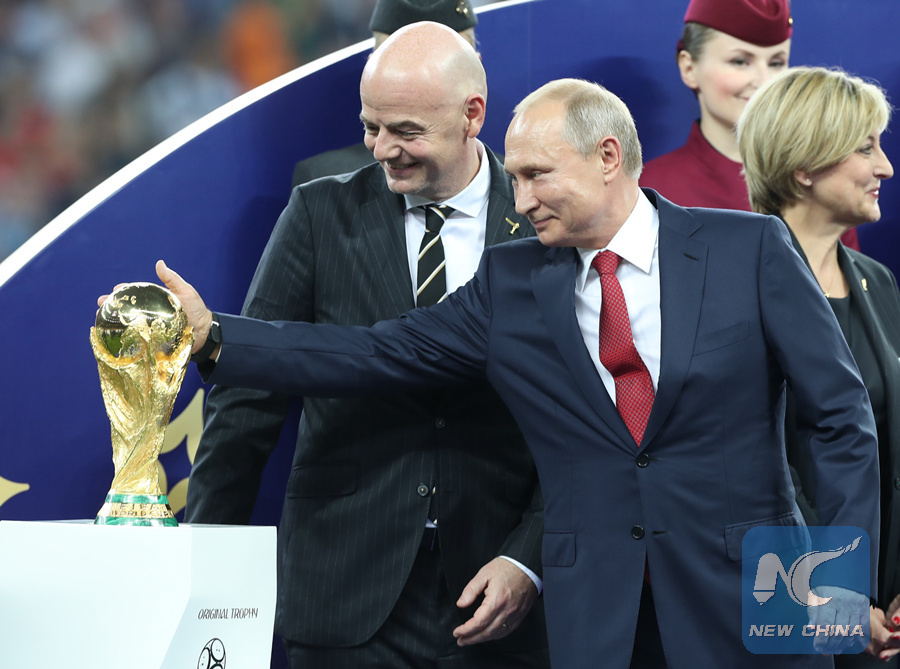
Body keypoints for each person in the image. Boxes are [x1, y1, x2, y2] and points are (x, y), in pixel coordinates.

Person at [131, 77, 880, 669]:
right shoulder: (512, 280)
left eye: (536, 175)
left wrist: (836, 585)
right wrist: (218, 338)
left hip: (752, 598)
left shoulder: (749, 249)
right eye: (513, 178)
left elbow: (839, 420)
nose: (519, 200)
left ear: (608, 157)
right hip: (594, 620)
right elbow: (376, 352)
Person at [184, 22, 550, 669]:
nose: (383, 149)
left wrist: (529, 557)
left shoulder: (541, 225)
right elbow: (246, 406)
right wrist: (204, 567)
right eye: (370, 127)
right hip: (343, 590)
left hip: (499, 595)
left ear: (472, 115)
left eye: (405, 131)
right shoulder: (319, 212)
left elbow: (584, 424)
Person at [738, 66, 900, 666]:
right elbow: (757, 464)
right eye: (866, 148)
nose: (885, 167)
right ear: (804, 166)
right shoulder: (736, 285)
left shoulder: (877, 281)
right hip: (791, 596)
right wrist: (840, 593)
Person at [639, 0, 859, 250]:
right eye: (740, 61)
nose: (764, 82)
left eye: (776, 63)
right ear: (689, 68)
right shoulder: (650, 191)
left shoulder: (823, 181)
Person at [291, 0, 479, 188]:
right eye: (398, 68)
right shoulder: (325, 187)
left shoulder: (499, 176)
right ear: (371, 68)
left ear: (477, 70)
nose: (382, 152)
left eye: (443, 70)